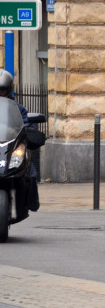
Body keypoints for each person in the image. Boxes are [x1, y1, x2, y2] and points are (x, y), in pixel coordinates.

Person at [0, 70, 39, 222]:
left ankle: (29, 204)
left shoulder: (18, 109)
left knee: (30, 172)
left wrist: (29, 130)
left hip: (10, 149)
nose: (0, 94)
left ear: (8, 90)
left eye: (2, 90)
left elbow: (26, 124)